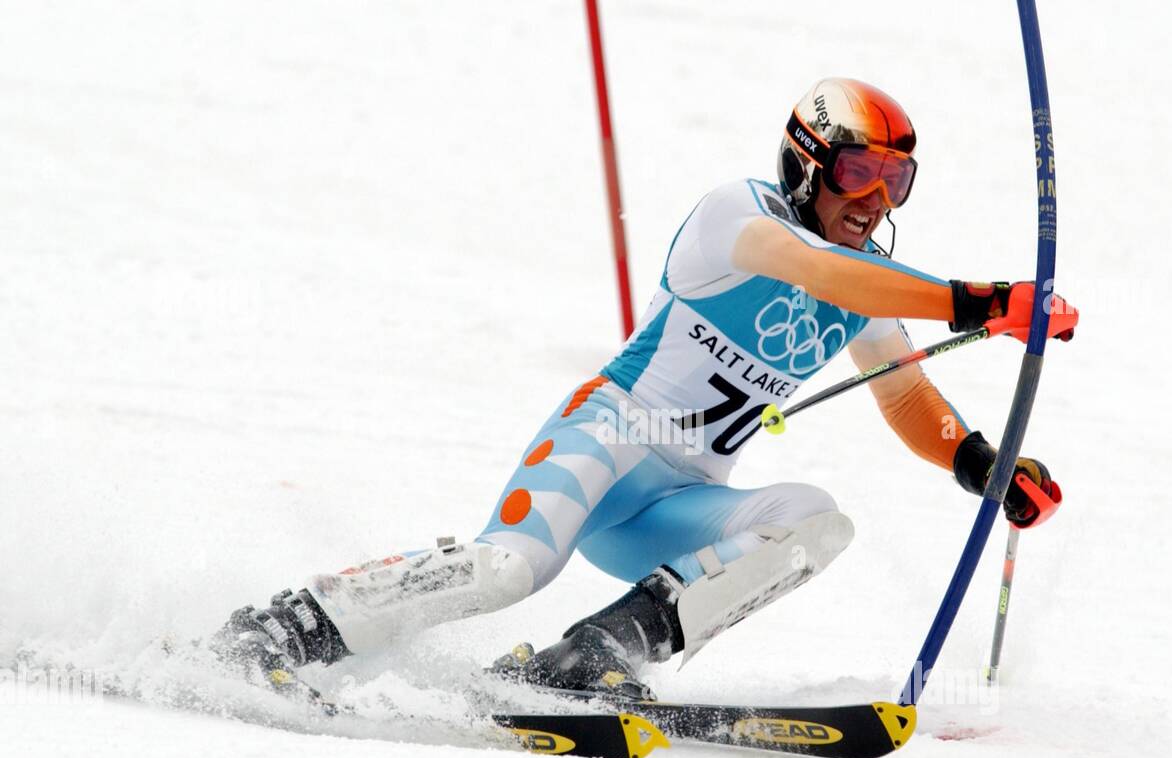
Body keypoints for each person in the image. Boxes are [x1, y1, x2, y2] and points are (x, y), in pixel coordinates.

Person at [215, 78, 1076, 704]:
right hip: (607, 439)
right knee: (511, 567)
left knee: (816, 517)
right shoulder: (737, 216)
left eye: (897, 181)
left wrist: (982, 463)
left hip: (679, 503)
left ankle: (598, 653)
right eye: (859, 173)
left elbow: (904, 397)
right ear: (808, 164)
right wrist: (981, 301)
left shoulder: (873, 282)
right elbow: (819, 269)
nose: (876, 198)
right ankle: (295, 621)